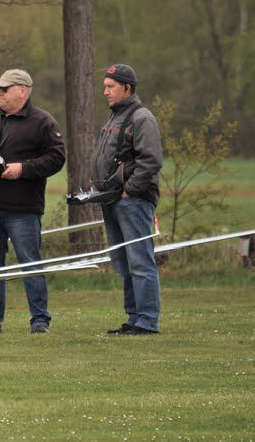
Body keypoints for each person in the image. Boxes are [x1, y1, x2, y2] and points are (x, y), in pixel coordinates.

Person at [0, 69, 65, 335]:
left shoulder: (43, 122)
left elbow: (57, 158)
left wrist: (24, 168)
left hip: (23, 209)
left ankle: (40, 320)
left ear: (23, 90)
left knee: (30, 262)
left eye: (5, 88)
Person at [92, 63, 163, 335]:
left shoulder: (141, 117)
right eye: (105, 86)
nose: (105, 92)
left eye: (110, 87)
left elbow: (151, 160)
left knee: (140, 261)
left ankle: (147, 321)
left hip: (133, 200)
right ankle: (134, 318)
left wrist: (129, 190)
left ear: (127, 88)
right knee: (123, 261)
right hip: (112, 200)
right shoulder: (114, 117)